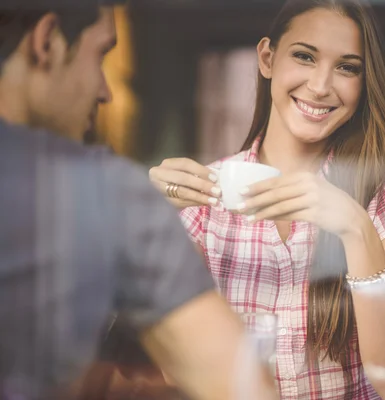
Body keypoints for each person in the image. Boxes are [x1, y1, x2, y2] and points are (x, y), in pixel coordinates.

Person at [150, 0, 385, 398]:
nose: (320, 86)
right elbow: (177, 374)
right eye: (304, 56)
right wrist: (148, 230)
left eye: (347, 67)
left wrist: (355, 227)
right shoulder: (203, 200)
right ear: (267, 58)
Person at [0, 1, 276, 399]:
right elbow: (244, 390)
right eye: (100, 56)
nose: (105, 92)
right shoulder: (108, 198)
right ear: (46, 43)